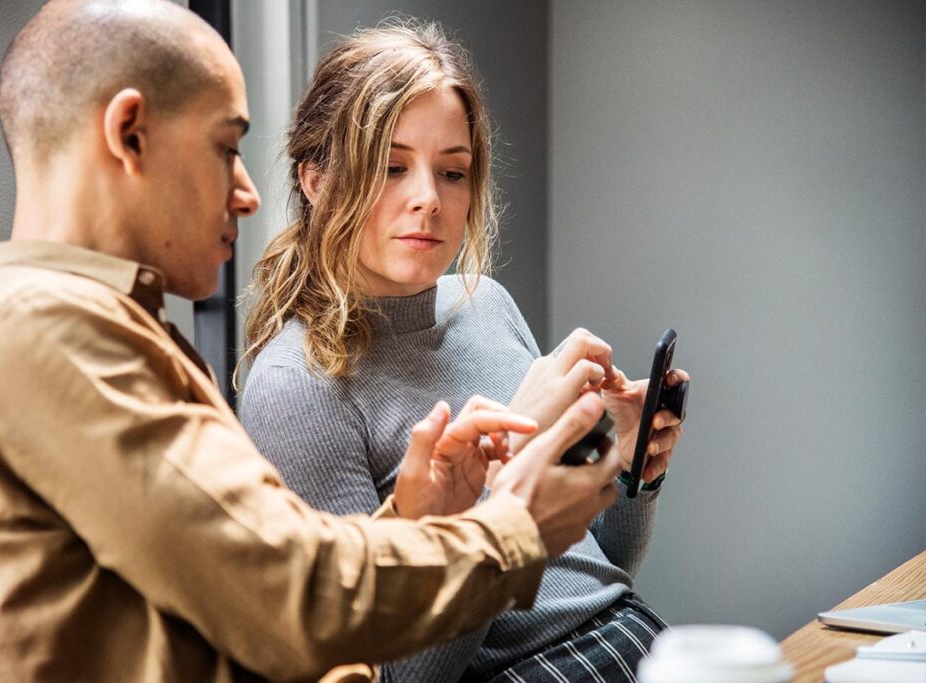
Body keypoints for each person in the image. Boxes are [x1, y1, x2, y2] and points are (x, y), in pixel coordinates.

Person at [0, 2, 628, 681]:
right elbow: (291, 596)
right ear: (128, 134)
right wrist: (513, 522)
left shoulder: (78, 325)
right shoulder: (37, 333)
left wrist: (409, 519)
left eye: (452, 171)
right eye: (226, 147)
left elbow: (245, 575)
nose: (249, 192)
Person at [240, 21, 689, 683]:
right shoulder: (294, 385)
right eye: (391, 168)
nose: (428, 198)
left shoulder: (487, 304)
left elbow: (594, 572)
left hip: (637, 635)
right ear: (315, 180)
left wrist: (627, 470)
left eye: (452, 171)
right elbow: (396, 674)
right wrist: (508, 487)